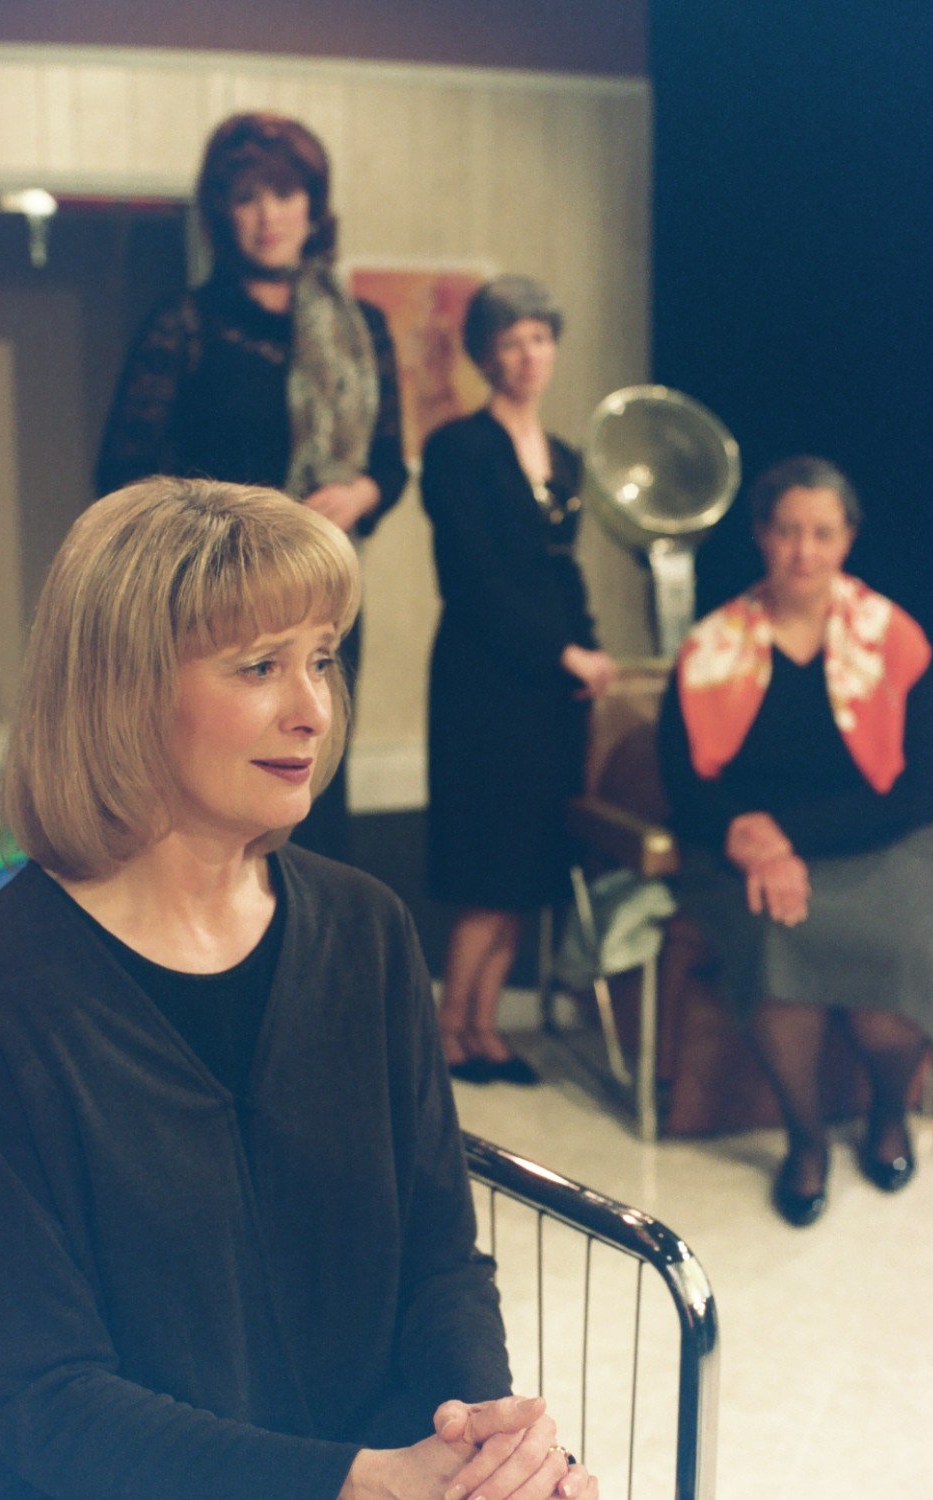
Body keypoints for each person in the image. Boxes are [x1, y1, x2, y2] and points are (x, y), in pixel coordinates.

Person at [0, 479, 598, 1500]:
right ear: (124, 688)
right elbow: (37, 1396)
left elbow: (441, 1263)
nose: (312, 709)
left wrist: (479, 1451)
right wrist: (357, 1482)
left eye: (323, 659)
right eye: (259, 667)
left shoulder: (368, 932)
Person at [95, 112, 409, 862]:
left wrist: (360, 494)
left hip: (325, 595)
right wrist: (240, 522)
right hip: (218, 604)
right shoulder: (186, 324)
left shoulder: (360, 325)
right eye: (246, 198)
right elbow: (121, 478)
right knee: (221, 786)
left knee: (317, 769)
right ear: (221, 213)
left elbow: (391, 462)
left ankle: (315, 956)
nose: (268, 215)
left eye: (284, 193)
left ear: (313, 204)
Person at [658, 456, 933, 1226]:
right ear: (760, 536)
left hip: (883, 846)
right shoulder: (711, 645)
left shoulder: (897, 641)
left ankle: (889, 1115)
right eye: (787, 532)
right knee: (779, 954)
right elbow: (685, 789)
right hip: (745, 855)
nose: (803, 552)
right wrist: (749, 837)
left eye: (822, 533)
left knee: (893, 967)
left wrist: (784, 834)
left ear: (848, 538)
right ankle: (807, 1140)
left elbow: (917, 793)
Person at [421, 277, 617, 1085]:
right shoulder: (457, 449)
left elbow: (561, 577)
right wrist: (560, 653)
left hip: (549, 690)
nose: (528, 355)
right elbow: (475, 579)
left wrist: (593, 650)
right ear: (485, 355)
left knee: (532, 857)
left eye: (540, 337)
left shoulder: (566, 456)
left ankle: (487, 1029)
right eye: (511, 340)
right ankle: (448, 1029)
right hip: (485, 676)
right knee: (488, 862)